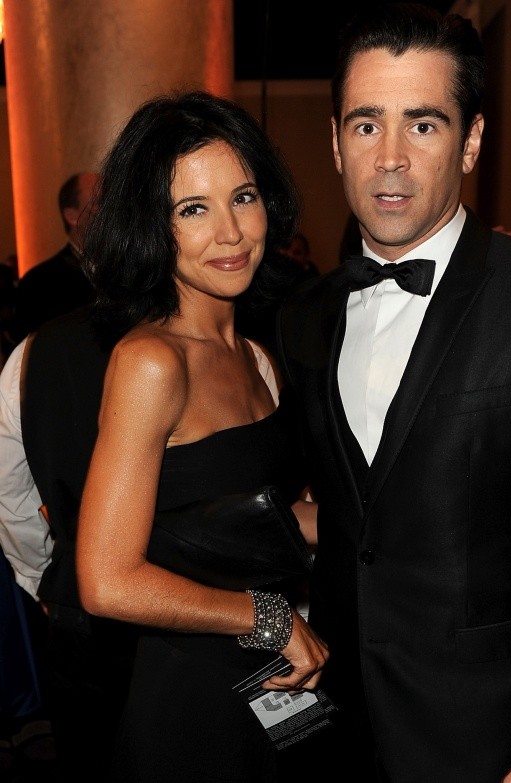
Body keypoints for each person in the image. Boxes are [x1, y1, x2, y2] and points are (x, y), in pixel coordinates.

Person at [275, 5, 511, 783]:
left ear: (470, 141)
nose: (391, 158)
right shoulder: (302, 314)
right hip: (338, 735)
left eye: (424, 124)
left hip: (494, 743)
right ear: (336, 140)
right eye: (367, 124)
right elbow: (328, 515)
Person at [74, 90, 328, 783]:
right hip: (195, 692)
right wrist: (269, 616)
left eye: (243, 198)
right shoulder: (151, 362)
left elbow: (250, 511)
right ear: (152, 227)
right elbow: (106, 581)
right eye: (193, 209)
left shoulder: (256, 355)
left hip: (279, 679)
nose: (231, 232)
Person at [0, 304, 140, 783]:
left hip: (81, 612)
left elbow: (11, 496)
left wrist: (44, 577)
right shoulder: (232, 338)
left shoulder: (34, 353)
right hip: (211, 613)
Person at [11, 171, 98, 344]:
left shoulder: (133, 270)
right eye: (99, 203)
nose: (113, 212)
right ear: (72, 216)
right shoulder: (39, 284)